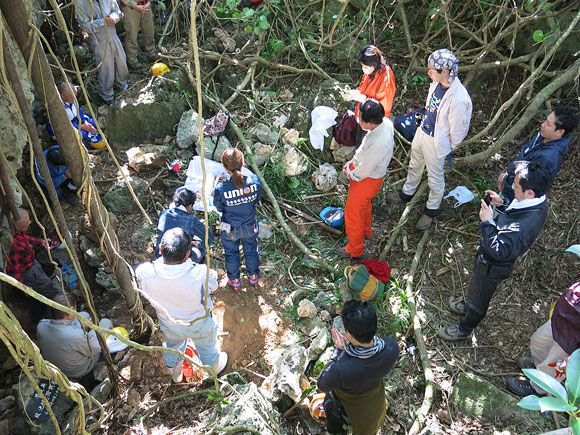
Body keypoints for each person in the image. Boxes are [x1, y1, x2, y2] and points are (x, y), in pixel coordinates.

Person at [438, 162, 550, 341]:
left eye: (516, 186)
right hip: (487, 258)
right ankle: (467, 306)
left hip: (493, 265)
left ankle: (464, 328)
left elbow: (500, 250)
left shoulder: (527, 223)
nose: (512, 187)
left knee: (479, 299)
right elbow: (512, 217)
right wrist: (502, 204)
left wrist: (487, 223)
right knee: (475, 289)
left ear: (530, 192)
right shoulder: (531, 203)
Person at [387, 49, 472, 230]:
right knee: (414, 163)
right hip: (423, 130)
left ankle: (431, 209)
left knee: (435, 178)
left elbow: (459, 130)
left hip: (436, 141)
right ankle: (407, 193)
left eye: (432, 69)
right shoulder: (436, 83)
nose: (429, 72)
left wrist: (446, 145)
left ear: (445, 71)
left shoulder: (459, 99)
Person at [135, 228, 227, 382]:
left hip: (169, 323)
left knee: (173, 347)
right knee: (207, 347)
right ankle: (213, 372)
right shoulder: (201, 274)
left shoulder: (144, 273)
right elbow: (213, 286)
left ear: (160, 249)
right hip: (199, 322)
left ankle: (176, 376)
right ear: (188, 254)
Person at [317, 300, 399, 435]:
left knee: (329, 404)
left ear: (347, 333)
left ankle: (336, 431)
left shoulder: (342, 369)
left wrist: (338, 351)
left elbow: (321, 385)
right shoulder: (391, 347)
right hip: (375, 402)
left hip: (352, 407)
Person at [335, 99, 394, 261]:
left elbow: (364, 170)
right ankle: (367, 231)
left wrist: (350, 173)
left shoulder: (378, 145)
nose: (358, 119)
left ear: (372, 122)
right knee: (364, 205)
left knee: (352, 213)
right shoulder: (386, 124)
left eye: (361, 119)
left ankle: (354, 250)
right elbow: (365, 147)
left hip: (367, 180)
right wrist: (354, 160)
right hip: (375, 177)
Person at [506, 280, 580, 396]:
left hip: (573, 338)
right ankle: (539, 367)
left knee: (554, 363)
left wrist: (574, 358)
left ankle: (539, 388)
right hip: (563, 318)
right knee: (538, 342)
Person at [497, 106, 578, 204]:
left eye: (548, 124)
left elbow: (526, 184)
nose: (542, 125)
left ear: (559, 132)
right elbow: (526, 152)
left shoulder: (548, 158)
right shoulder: (546, 135)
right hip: (510, 183)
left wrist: (505, 179)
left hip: (516, 197)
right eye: (545, 121)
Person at [213, 148, 263, 291]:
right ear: (242, 164)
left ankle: (235, 281)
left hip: (230, 227)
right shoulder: (254, 182)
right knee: (251, 250)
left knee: (231, 253)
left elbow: (219, 207)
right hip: (250, 226)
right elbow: (256, 200)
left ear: (225, 168)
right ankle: (253, 277)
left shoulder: (221, 189)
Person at [37, 293, 114, 378]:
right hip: (77, 370)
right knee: (105, 322)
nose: (76, 310)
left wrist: (81, 327)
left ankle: (83, 336)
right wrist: (83, 332)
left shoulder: (41, 325)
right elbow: (96, 349)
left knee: (84, 315)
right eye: (75, 308)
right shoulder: (76, 336)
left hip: (58, 364)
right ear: (70, 312)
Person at [333, 45, 396, 148]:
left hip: (372, 120)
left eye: (365, 67)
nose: (364, 69)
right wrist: (355, 93)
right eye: (362, 66)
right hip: (362, 113)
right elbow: (363, 86)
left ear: (374, 64)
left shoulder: (386, 79)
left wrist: (364, 99)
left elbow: (384, 108)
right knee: (359, 141)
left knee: (366, 146)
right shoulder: (370, 72)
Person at [6, 209, 60, 322]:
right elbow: (13, 272)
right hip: (29, 274)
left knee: (35, 297)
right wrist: (23, 288)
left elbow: (26, 239)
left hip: (32, 265)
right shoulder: (13, 246)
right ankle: (53, 318)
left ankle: (37, 317)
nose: (30, 223)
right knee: (53, 293)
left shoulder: (17, 233)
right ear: (17, 226)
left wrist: (41, 242)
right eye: (27, 223)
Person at [75, 0, 129, 105]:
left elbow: (117, 11)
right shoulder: (80, 3)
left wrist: (114, 18)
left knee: (121, 61)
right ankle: (107, 95)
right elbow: (84, 26)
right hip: (98, 40)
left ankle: (123, 85)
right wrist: (102, 22)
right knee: (105, 68)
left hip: (113, 35)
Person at [156, 186, 213, 263]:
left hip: (161, 257)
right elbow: (209, 237)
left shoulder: (164, 214)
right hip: (181, 261)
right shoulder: (191, 220)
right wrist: (199, 244)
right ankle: (195, 267)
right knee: (202, 249)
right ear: (190, 206)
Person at [46, 82, 105, 149]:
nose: (74, 99)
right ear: (62, 96)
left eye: (75, 96)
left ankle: (92, 136)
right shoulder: (57, 108)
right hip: (65, 129)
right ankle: (86, 142)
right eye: (72, 97)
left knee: (93, 123)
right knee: (81, 134)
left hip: (75, 121)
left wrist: (85, 122)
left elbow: (79, 111)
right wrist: (81, 127)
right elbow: (63, 127)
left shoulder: (72, 100)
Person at [120, 0, 157, 69]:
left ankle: (151, 53)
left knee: (149, 32)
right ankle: (132, 60)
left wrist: (149, 2)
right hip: (130, 8)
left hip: (146, 6)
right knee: (132, 35)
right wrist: (135, 6)